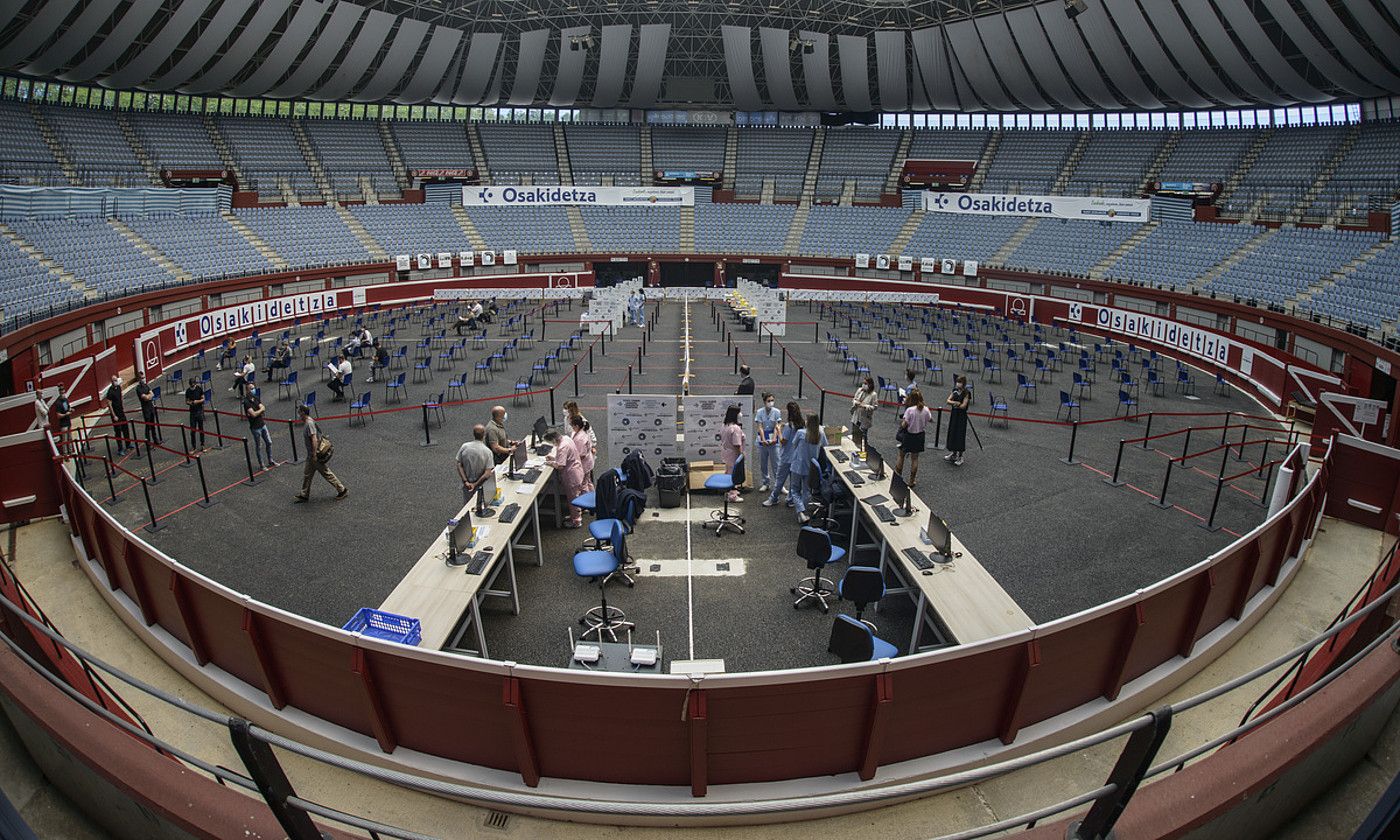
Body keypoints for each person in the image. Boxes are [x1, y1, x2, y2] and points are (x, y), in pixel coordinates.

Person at [293, 404, 347, 502]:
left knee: (326, 473)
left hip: (314, 456)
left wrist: (314, 455)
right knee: (307, 474)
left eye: (299, 412)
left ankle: (342, 489)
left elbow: (314, 440)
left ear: (303, 413)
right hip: (311, 456)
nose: (298, 414)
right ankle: (304, 494)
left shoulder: (309, 424)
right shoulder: (309, 421)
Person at [764, 402, 805, 508]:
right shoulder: (802, 424)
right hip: (796, 457)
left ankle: (774, 498)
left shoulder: (789, 426)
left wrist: (778, 430)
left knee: (779, 479)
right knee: (794, 482)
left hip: (786, 457)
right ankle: (791, 499)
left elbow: (783, 441)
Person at [789, 412, 828, 524]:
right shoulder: (820, 433)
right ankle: (804, 511)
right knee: (806, 490)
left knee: (795, 490)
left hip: (797, 465)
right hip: (811, 467)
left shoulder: (801, 433)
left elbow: (794, 444)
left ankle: (800, 512)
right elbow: (825, 446)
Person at [544, 428, 585, 528]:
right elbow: (567, 457)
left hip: (571, 476)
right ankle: (575, 515)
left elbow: (561, 466)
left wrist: (550, 463)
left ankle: (576, 521)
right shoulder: (566, 439)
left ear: (553, 440)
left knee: (573, 500)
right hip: (577, 471)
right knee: (576, 496)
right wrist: (555, 458)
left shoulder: (562, 447)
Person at [894, 387, 934, 485]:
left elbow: (904, 424)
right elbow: (930, 419)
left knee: (901, 455)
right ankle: (911, 481)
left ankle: (898, 478)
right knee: (915, 458)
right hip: (920, 435)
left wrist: (902, 425)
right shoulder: (925, 409)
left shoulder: (910, 410)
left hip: (909, 435)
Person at [455, 424, 495, 506]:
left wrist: (466, 481)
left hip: (467, 486)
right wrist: (475, 484)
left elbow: (459, 465)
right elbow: (487, 473)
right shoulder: (487, 452)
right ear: (484, 435)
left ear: (473, 434)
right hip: (481, 486)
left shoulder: (464, 446)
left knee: (467, 506)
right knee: (481, 505)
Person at [718, 403, 747, 503]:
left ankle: (731, 490)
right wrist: (741, 455)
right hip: (733, 454)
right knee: (733, 475)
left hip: (726, 452)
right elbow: (737, 444)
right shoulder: (735, 428)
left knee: (728, 472)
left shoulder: (724, 425)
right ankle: (732, 495)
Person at [943, 374, 972, 469]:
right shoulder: (954, 390)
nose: (957, 384)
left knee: (960, 434)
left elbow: (964, 405)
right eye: (957, 382)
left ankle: (960, 456)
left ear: (963, 383)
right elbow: (948, 400)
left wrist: (957, 404)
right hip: (954, 415)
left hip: (961, 417)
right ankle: (953, 453)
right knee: (952, 433)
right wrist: (955, 403)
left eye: (959, 382)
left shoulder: (966, 393)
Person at [754, 392, 782, 493]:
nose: (771, 402)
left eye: (772, 400)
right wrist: (763, 439)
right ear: (764, 402)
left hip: (774, 440)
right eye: (768, 401)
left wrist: (774, 438)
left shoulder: (777, 412)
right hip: (763, 440)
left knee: (776, 463)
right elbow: (760, 427)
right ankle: (765, 482)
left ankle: (779, 484)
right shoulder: (759, 412)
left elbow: (777, 426)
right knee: (763, 463)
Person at [244, 387, 276, 470]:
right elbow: (253, 414)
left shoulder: (256, 397)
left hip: (262, 424)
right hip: (255, 427)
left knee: (269, 442)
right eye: (251, 388)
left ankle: (270, 460)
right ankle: (262, 464)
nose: (253, 389)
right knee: (259, 446)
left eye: (253, 388)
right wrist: (260, 411)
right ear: (247, 390)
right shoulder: (246, 402)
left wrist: (259, 411)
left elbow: (263, 407)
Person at [103, 375, 131, 456]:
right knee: (118, 431)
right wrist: (114, 415)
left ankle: (128, 444)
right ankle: (120, 449)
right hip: (116, 415)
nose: (115, 382)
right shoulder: (110, 392)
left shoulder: (118, 387)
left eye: (116, 380)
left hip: (121, 412)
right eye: (114, 380)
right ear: (111, 382)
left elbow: (121, 396)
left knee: (125, 428)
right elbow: (109, 404)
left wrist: (122, 407)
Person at [569, 414, 595, 495]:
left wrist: (569, 458)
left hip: (584, 464)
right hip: (589, 461)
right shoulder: (583, 432)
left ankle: (587, 503)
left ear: (576, 426)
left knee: (583, 485)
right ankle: (594, 497)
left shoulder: (580, 439)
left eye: (572, 426)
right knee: (588, 481)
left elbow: (581, 455)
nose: (571, 427)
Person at [850, 376, 878, 449]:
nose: (863, 385)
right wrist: (855, 403)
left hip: (865, 418)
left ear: (870, 384)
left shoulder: (873, 395)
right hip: (857, 416)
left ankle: (864, 452)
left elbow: (875, 407)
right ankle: (854, 449)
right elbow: (854, 399)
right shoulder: (860, 390)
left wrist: (865, 406)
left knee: (863, 436)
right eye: (863, 383)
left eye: (865, 383)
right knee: (854, 433)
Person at [135, 372, 161, 448]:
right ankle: (148, 443)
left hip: (151, 407)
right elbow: (145, 398)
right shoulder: (138, 388)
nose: (143, 379)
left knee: (153, 425)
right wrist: (148, 396)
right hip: (145, 409)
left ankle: (155, 440)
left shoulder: (146, 386)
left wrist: (148, 396)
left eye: (143, 377)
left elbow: (152, 394)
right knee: (148, 426)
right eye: (142, 378)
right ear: (139, 379)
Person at [184, 378, 207, 451]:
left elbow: (203, 399)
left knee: (201, 429)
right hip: (192, 412)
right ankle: (193, 447)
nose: (192, 387)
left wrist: (197, 401)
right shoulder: (188, 391)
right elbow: (186, 401)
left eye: (193, 385)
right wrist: (190, 403)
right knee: (192, 431)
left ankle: (202, 444)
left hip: (199, 411)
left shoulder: (199, 389)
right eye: (191, 386)